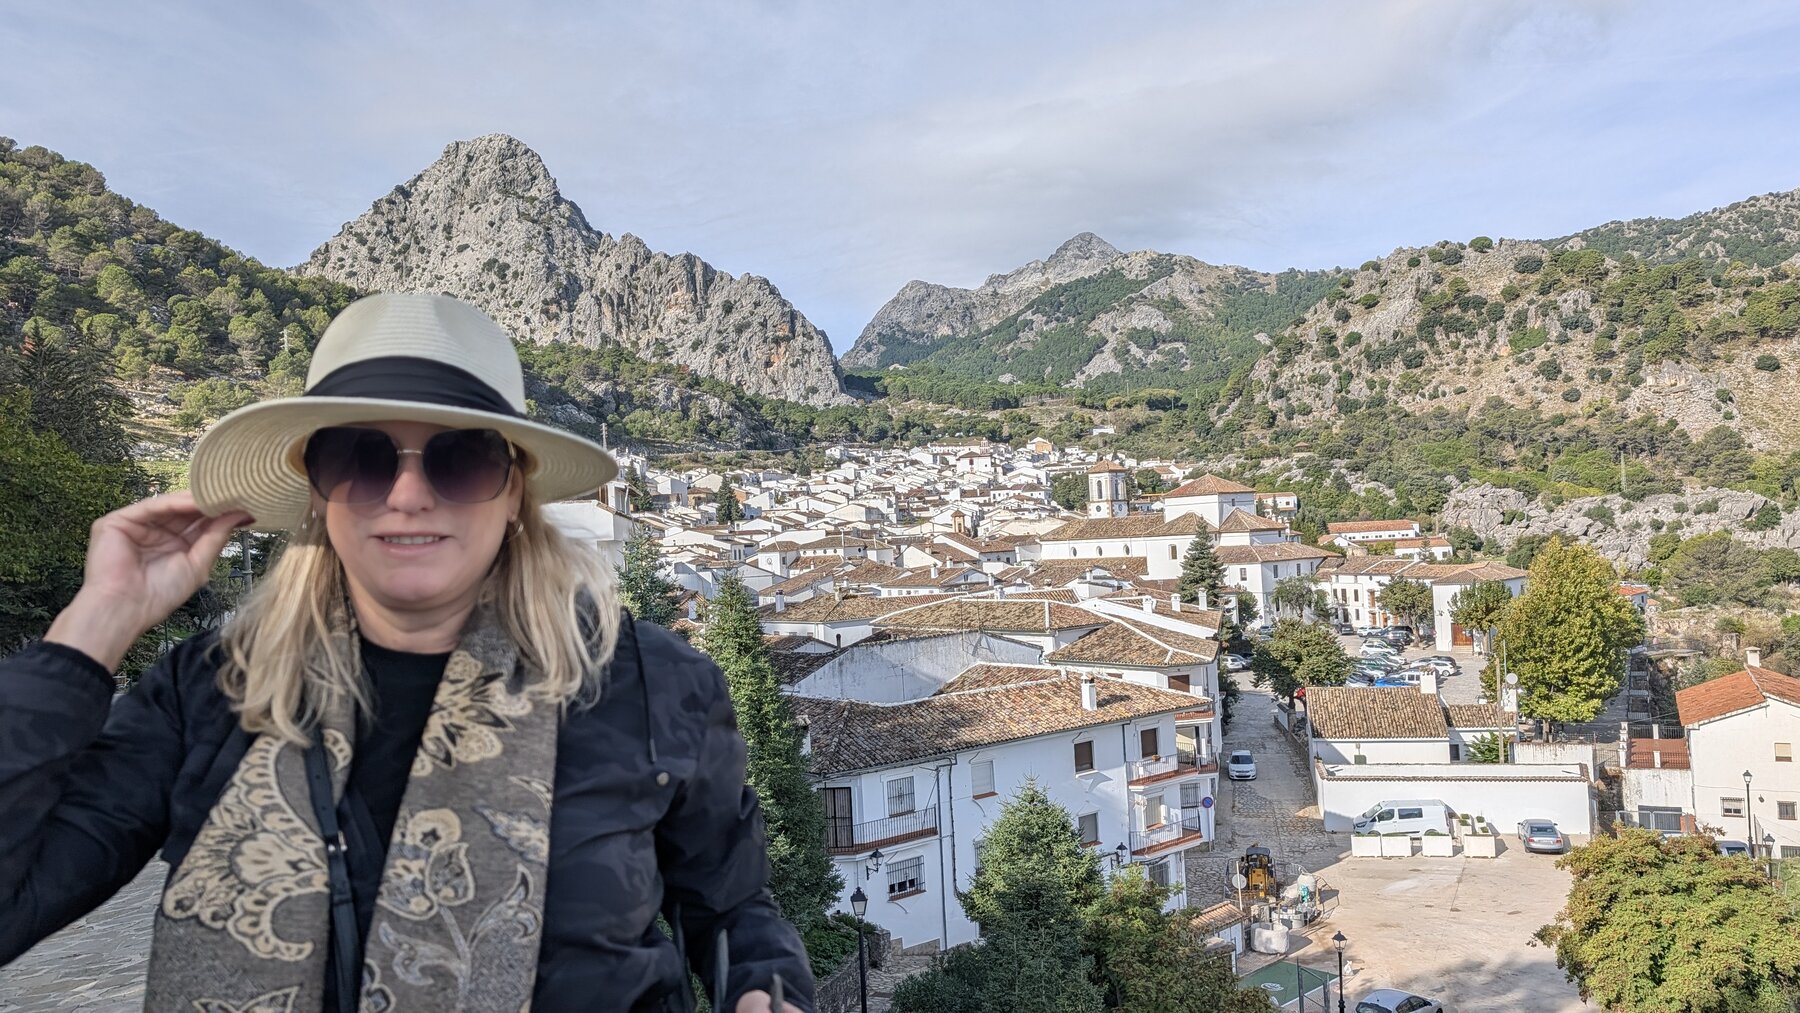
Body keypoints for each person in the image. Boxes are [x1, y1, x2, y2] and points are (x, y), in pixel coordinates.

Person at [0, 293, 813, 1012]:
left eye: (460, 457)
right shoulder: (212, 689)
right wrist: (93, 626)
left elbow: (734, 908)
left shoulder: (651, 684)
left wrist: (765, 987)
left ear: (514, 490)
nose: (407, 494)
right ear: (317, 488)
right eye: (359, 455)